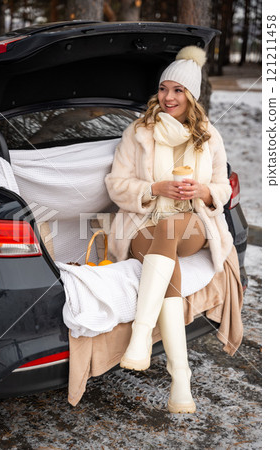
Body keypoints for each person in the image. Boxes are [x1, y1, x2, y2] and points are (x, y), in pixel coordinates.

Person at [105, 46, 234, 414]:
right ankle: (181, 379)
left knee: (174, 225)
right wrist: (153, 189)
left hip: (192, 223)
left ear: (191, 95)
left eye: (178, 90)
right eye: (164, 89)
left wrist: (205, 191)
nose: (168, 97)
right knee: (168, 265)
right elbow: (116, 183)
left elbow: (222, 187)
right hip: (144, 223)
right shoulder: (139, 132)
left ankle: (141, 334)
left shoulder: (208, 135)